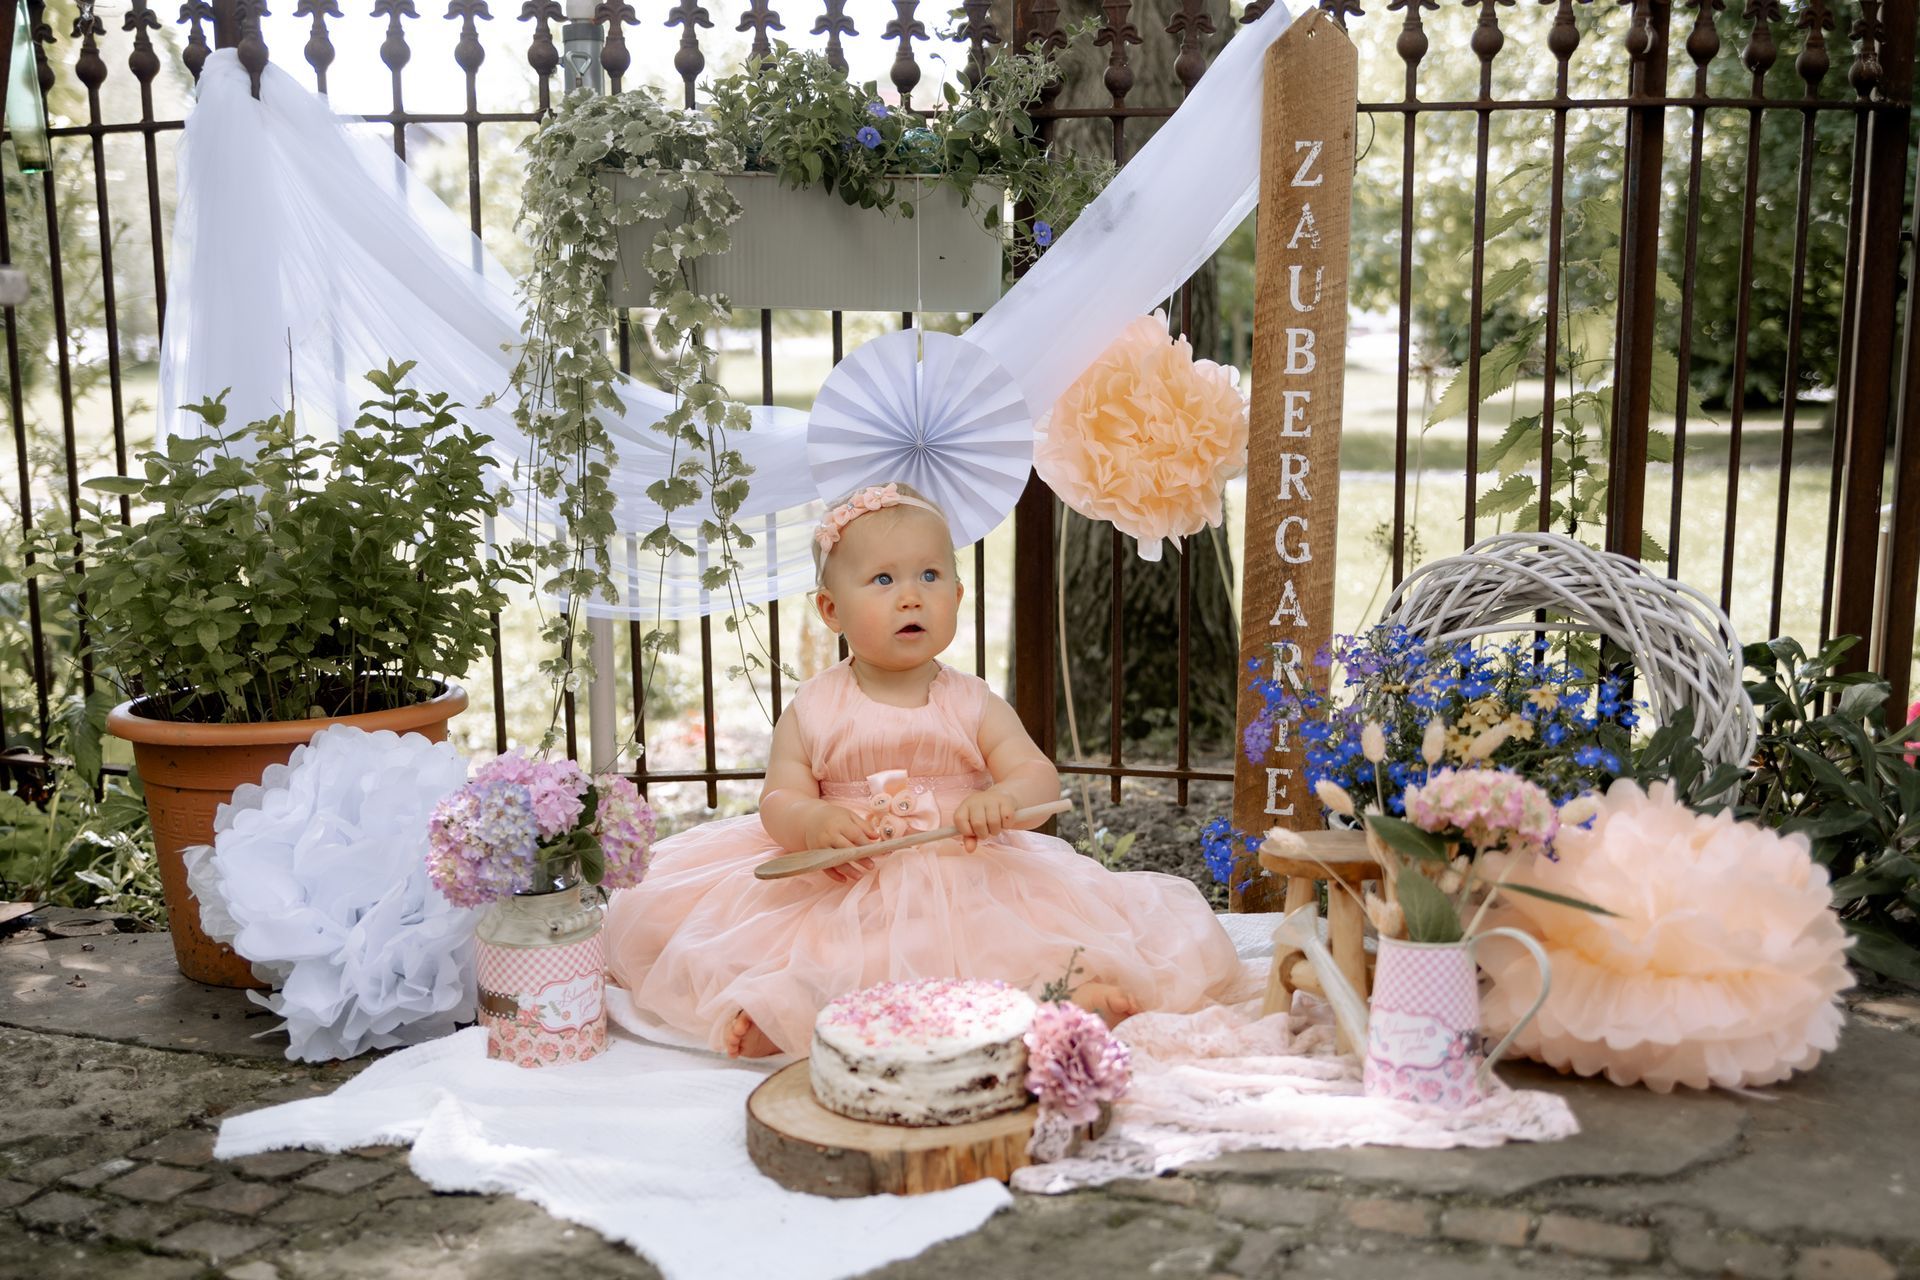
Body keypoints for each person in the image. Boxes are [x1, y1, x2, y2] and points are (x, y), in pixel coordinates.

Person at [603, 483, 1244, 1057]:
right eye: (883, 580)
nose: (912, 595)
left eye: (931, 575)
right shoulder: (818, 705)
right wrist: (814, 819)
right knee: (837, 949)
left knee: (1006, 943)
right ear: (831, 610)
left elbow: (1037, 775)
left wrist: (1006, 799)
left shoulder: (971, 702)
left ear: (958, 596)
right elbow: (780, 797)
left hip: (966, 870)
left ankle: (1066, 996)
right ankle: (790, 1011)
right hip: (845, 877)